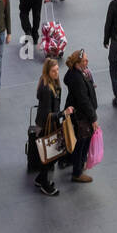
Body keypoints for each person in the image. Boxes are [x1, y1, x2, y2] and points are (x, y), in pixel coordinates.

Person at [64, 50, 98, 183]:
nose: (87, 62)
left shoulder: (76, 73)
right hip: (82, 116)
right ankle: (77, 172)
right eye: (84, 60)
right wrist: (93, 118)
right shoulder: (78, 78)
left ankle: (76, 163)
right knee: (82, 141)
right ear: (77, 63)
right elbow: (84, 100)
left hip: (79, 114)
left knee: (80, 140)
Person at [33, 58, 64, 196]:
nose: (56, 73)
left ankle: (41, 179)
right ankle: (44, 184)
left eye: (57, 69)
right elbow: (47, 115)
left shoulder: (50, 83)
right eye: (53, 70)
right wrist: (63, 113)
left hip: (46, 124)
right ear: (47, 71)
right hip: (46, 126)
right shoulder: (47, 89)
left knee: (49, 154)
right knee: (49, 155)